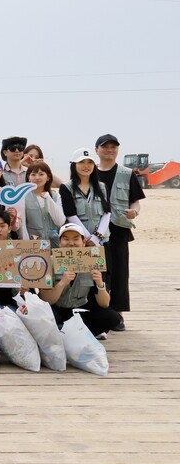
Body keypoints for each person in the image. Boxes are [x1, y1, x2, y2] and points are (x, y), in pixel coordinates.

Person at [93, 133, 143, 330]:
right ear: (97, 150)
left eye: (113, 147)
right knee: (98, 271)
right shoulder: (89, 172)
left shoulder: (127, 173)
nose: (109, 150)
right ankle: (100, 311)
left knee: (120, 272)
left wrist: (134, 212)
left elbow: (136, 202)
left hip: (119, 229)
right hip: (95, 232)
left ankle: (118, 313)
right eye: (105, 147)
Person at [39, 223, 121, 337]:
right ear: (59, 242)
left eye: (76, 239)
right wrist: (62, 283)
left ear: (83, 242)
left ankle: (72, 333)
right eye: (66, 239)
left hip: (80, 309)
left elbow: (105, 303)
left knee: (113, 318)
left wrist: (99, 283)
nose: (71, 243)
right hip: (58, 309)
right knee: (43, 319)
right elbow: (45, 299)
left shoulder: (92, 261)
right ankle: (69, 333)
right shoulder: (49, 262)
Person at [59, 149, 111, 247]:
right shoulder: (66, 188)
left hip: (102, 241)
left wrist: (96, 238)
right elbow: (70, 215)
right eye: (81, 162)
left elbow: (107, 212)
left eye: (90, 162)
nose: (86, 166)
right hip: (79, 242)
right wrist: (88, 238)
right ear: (74, 165)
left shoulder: (102, 187)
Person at [24, 161, 65, 248]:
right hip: (33, 246)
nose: (37, 177)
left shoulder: (55, 196)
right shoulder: (24, 197)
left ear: (48, 177)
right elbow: (22, 225)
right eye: (33, 174)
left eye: (41, 174)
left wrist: (48, 198)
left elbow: (60, 221)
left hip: (55, 245)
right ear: (28, 177)